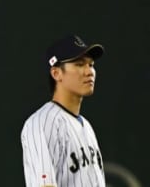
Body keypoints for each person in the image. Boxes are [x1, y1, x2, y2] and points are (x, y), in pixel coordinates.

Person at [21, 34, 106, 187]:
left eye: (91, 65)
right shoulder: (42, 122)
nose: (89, 71)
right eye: (80, 64)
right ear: (56, 73)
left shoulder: (86, 126)